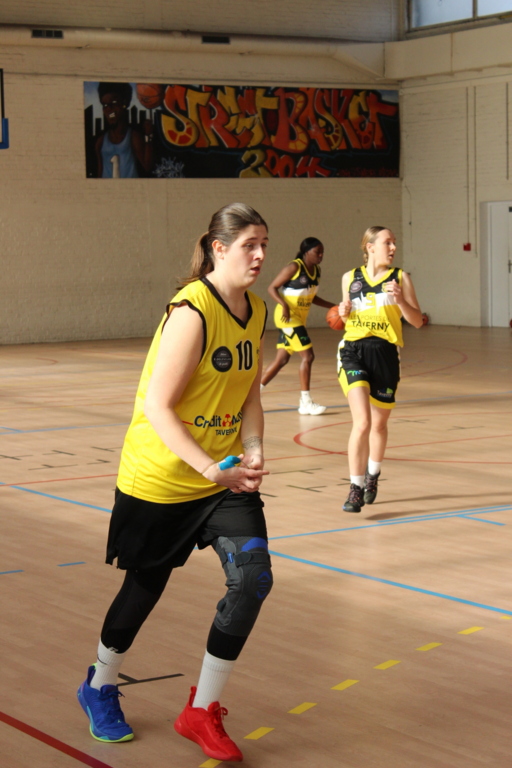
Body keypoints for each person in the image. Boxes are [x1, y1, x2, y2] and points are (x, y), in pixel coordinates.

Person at [77, 203, 273, 763]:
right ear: (218, 248)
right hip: (162, 478)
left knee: (252, 578)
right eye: (249, 245)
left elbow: (250, 394)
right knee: (145, 588)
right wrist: (210, 467)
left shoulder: (255, 310)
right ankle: (99, 686)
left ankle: (201, 709)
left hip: (221, 479)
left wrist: (253, 451)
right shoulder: (192, 310)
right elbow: (158, 407)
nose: (260, 255)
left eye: (264, 243)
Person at [338, 226, 422, 513]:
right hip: (353, 351)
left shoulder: (401, 278)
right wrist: (343, 313)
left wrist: (400, 300)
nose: (393, 247)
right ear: (370, 246)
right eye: (388, 242)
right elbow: (346, 316)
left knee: (379, 424)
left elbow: (418, 321)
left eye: (394, 243)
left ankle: (372, 474)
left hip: (385, 353)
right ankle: (355, 488)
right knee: (362, 422)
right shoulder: (350, 277)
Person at [260, 237, 335, 415]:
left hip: (299, 320)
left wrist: (333, 307)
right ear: (306, 252)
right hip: (287, 318)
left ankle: (251, 394)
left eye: (322, 252)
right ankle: (305, 402)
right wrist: (284, 305)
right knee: (308, 356)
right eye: (317, 252)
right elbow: (272, 288)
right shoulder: (294, 267)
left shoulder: (316, 271)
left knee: (281, 360)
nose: (321, 255)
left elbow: (312, 297)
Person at [95, 82, 154, 178]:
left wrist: (148, 135)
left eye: (114, 103)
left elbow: (147, 166)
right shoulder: (100, 142)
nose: (109, 109)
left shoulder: (133, 137)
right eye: (105, 105)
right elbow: (99, 174)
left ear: (124, 103)